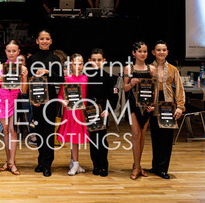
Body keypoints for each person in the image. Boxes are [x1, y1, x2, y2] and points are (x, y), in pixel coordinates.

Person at [27, 29, 64, 177]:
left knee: (49, 131)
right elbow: (29, 80)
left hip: (51, 99)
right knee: (39, 131)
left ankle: (48, 163)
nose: (44, 41)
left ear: (51, 41)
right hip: (36, 99)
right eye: (42, 39)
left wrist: (48, 72)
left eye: (47, 39)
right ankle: (40, 161)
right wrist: (33, 99)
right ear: (37, 41)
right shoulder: (32, 59)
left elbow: (61, 79)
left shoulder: (55, 59)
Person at [150, 40, 185, 179]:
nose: (161, 52)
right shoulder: (148, 68)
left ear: (167, 52)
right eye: (158, 50)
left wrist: (180, 106)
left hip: (168, 105)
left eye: (164, 50)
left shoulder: (172, 69)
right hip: (153, 105)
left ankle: (163, 168)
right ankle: (155, 166)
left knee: (166, 138)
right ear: (153, 52)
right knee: (155, 136)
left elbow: (180, 88)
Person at [123, 41, 156, 180]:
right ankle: (136, 167)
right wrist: (131, 83)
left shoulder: (151, 69)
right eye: (140, 51)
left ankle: (138, 164)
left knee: (142, 136)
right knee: (136, 135)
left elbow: (154, 89)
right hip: (133, 104)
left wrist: (153, 104)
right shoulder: (128, 68)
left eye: (145, 51)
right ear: (134, 53)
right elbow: (124, 88)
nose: (143, 54)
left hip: (147, 105)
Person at [0, 40, 28, 175]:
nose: (11, 53)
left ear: (18, 52)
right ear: (5, 52)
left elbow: (24, 91)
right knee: (5, 130)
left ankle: (12, 162)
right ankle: (8, 161)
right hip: (2, 100)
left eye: (14, 51)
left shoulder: (22, 68)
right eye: (9, 51)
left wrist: (25, 77)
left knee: (13, 131)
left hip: (15, 100)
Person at [86, 48, 118, 177]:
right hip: (89, 110)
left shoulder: (108, 77)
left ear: (104, 61)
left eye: (99, 60)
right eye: (93, 60)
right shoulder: (86, 77)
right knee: (93, 139)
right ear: (89, 61)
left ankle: (104, 165)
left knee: (102, 139)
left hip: (102, 110)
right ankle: (96, 165)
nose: (96, 62)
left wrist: (108, 110)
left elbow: (114, 97)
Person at [58, 53, 89, 175]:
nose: (78, 66)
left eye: (80, 64)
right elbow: (60, 95)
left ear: (83, 65)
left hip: (81, 112)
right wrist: (62, 101)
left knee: (76, 138)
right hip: (71, 112)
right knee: (74, 138)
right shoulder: (67, 78)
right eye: (75, 64)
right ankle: (75, 163)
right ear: (71, 64)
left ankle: (74, 162)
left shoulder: (86, 78)